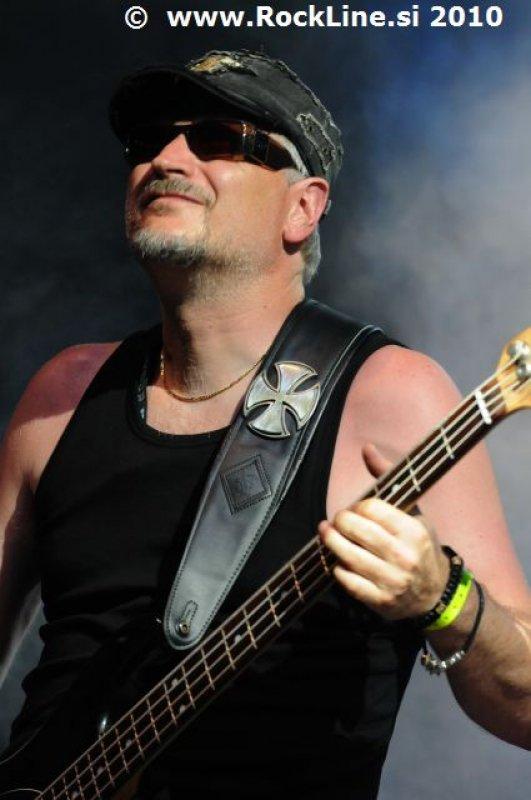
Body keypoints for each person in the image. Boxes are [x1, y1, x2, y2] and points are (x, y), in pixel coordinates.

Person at [0, 49, 530, 799]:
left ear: (302, 208)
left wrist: (445, 598)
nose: (166, 159)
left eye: (218, 139)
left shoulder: (390, 394)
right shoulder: (63, 393)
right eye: (149, 140)